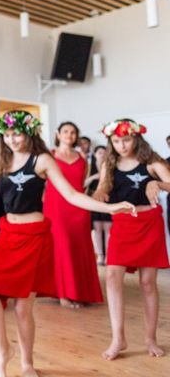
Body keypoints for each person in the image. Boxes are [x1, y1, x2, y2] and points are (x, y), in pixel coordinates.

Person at [0, 110, 134, 377]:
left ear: (28, 132)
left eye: (17, 133)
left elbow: (72, 195)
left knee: (22, 307)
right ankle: (3, 351)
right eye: (7, 134)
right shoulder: (3, 161)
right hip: (7, 235)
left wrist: (109, 208)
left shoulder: (42, 160)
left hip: (34, 237)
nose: (12, 139)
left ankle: (27, 363)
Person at [92, 119, 170, 360]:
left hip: (149, 224)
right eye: (116, 141)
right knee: (113, 277)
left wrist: (157, 182)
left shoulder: (151, 160)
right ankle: (118, 338)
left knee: (148, 283)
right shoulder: (110, 162)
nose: (122, 145)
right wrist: (97, 194)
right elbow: (102, 191)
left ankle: (150, 339)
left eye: (126, 140)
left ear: (136, 137)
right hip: (123, 224)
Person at [43, 122, 103, 308]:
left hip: (78, 207)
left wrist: (95, 180)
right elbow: (43, 183)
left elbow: (81, 181)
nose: (69, 135)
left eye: (73, 132)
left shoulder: (82, 157)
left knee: (80, 247)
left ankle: (81, 292)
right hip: (56, 207)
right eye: (65, 131)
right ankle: (63, 294)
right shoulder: (48, 156)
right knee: (62, 247)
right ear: (58, 134)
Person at [85, 145, 111, 265]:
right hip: (92, 200)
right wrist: (94, 177)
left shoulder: (110, 167)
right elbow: (83, 184)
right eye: (99, 152)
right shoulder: (89, 167)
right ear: (94, 154)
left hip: (107, 200)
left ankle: (108, 256)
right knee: (97, 229)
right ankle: (100, 255)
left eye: (104, 152)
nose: (102, 154)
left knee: (108, 228)